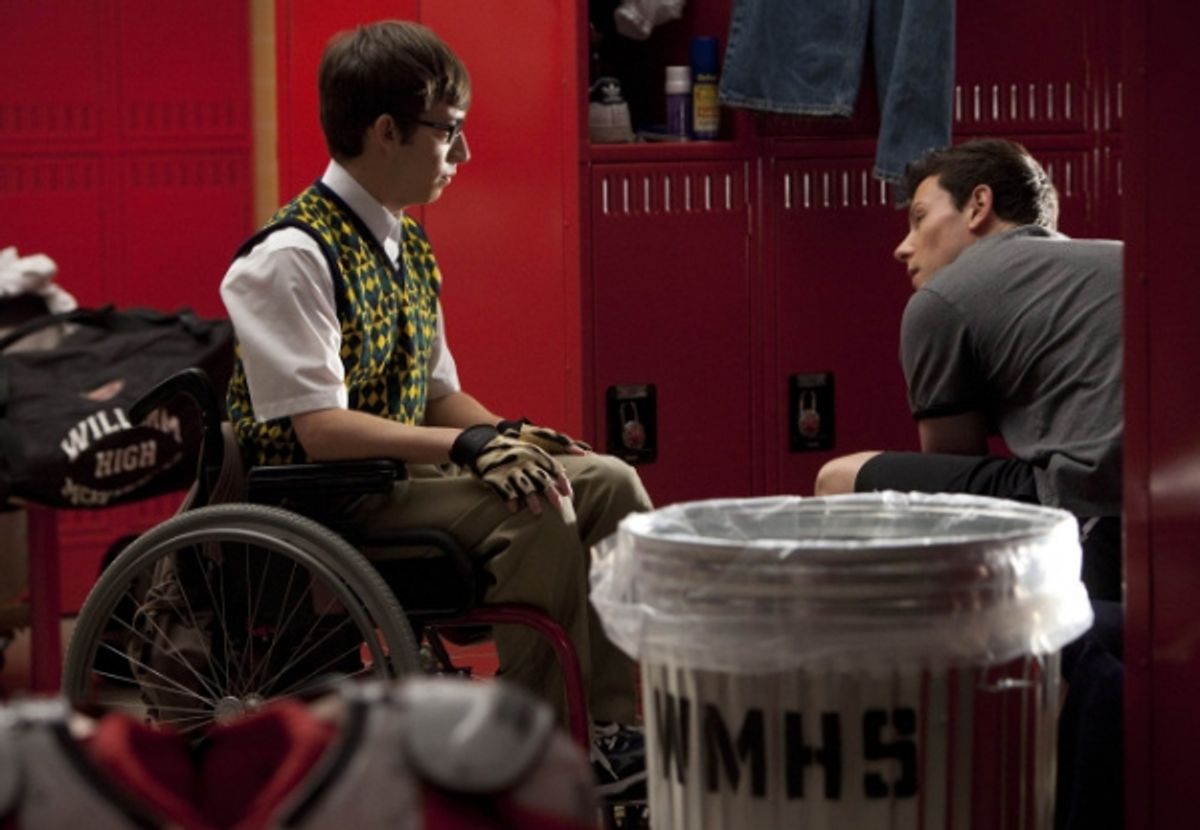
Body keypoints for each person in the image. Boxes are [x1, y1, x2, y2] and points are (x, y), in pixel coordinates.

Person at [219, 20, 649, 800]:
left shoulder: (407, 245)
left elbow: (439, 390)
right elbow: (320, 430)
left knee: (608, 479)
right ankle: (545, 740)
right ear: (386, 131)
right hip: (328, 500)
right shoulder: (289, 256)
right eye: (450, 132)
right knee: (535, 508)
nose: (464, 154)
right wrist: (469, 446)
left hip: (398, 480)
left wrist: (508, 433)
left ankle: (612, 723)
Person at [814, 138, 1123, 601]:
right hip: (1169, 498)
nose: (903, 247)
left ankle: (903, 656)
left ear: (979, 205)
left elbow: (956, 482)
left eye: (919, 219)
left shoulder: (939, 300)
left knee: (838, 480)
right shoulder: (1115, 258)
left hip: (1096, 505)